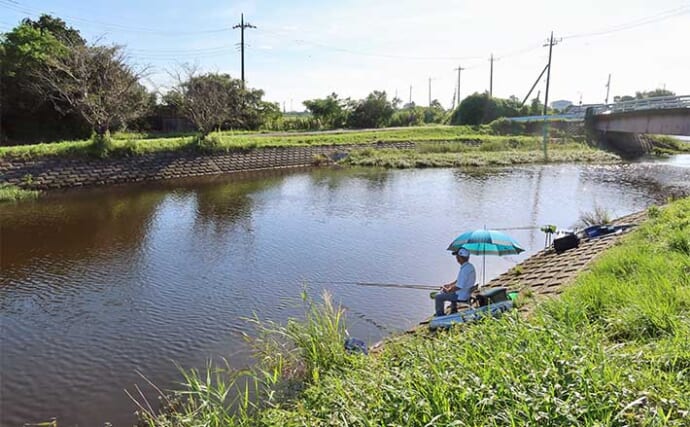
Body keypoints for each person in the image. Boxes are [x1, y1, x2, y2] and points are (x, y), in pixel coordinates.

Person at [435, 248, 477, 317]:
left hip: (462, 296)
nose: (456, 258)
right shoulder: (469, 266)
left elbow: (459, 286)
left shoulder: (464, 270)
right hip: (465, 293)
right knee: (448, 291)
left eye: (457, 256)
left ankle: (440, 316)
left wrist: (448, 290)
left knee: (438, 297)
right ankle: (453, 310)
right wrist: (449, 285)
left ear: (460, 257)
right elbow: (459, 281)